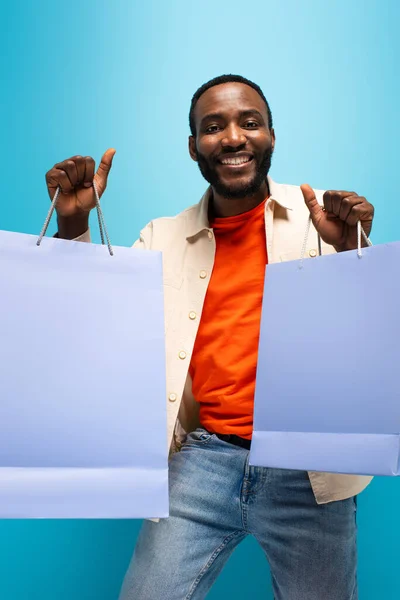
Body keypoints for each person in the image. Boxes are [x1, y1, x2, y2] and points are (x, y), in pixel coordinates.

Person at [45, 74, 375, 600]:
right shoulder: (161, 237)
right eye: (213, 126)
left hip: (309, 471)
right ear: (194, 145)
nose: (233, 137)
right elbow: (98, 334)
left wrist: (351, 250)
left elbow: (368, 345)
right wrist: (74, 226)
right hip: (202, 462)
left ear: (271, 135)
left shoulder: (322, 220)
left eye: (250, 122)